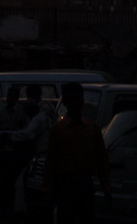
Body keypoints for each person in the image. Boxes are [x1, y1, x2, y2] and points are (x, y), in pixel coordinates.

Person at [44, 81, 111, 224]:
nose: (75, 103)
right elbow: (51, 163)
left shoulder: (92, 130)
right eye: (71, 99)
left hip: (83, 185)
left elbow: (101, 161)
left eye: (77, 99)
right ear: (67, 102)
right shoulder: (58, 131)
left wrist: (106, 188)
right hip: (65, 187)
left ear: (82, 101)